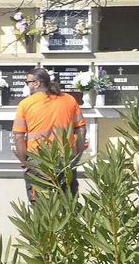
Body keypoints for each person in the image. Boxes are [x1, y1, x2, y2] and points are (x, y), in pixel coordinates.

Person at [11, 65, 86, 200]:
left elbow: (18, 137)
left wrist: (25, 164)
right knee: (68, 204)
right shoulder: (69, 99)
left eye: (28, 82)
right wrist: (76, 158)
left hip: (39, 162)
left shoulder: (25, 104)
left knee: (43, 208)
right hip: (66, 161)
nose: (27, 86)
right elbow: (81, 129)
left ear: (37, 83)